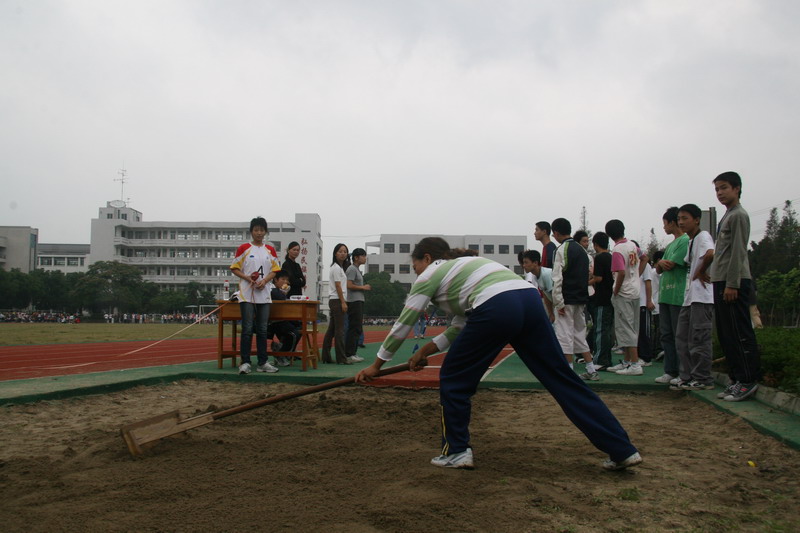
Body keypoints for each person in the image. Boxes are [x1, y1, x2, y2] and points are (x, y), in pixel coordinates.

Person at [355, 237, 641, 471]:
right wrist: (427, 350)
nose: (416, 271)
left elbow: (404, 323)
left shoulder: (430, 275)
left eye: (415, 265)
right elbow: (460, 325)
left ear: (427, 259)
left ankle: (456, 451)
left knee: (454, 378)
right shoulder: (465, 269)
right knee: (562, 378)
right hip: (527, 300)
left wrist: (377, 366)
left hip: (498, 305)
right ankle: (622, 449)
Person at [707, 171, 761, 401]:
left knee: (739, 332)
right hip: (721, 281)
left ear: (737, 188)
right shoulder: (727, 215)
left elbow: (739, 251)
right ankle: (737, 378)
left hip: (734, 282)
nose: (720, 193)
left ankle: (748, 379)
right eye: (717, 189)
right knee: (727, 333)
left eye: (724, 188)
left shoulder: (739, 215)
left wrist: (732, 284)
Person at [671, 204, 716, 391]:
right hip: (689, 297)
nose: (681, 222)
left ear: (696, 219)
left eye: (685, 218)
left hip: (702, 297)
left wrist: (701, 271)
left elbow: (711, 254)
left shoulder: (703, 236)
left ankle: (703, 378)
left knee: (699, 338)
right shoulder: (690, 241)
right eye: (679, 219)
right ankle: (687, 376)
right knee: (682, 338)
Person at [230, 216, 282, 374]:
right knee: (246, 329)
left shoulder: (270, 249)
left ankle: (263, 362)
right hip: (247, 294)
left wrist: (264, 281)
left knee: (262, 330)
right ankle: (245, 362)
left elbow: (275, 270)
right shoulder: (244, 248)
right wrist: (248, 278)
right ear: (251, 231)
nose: (259, 233)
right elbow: (234, 267)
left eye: (261, 230)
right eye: (256, 230)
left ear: (265, 231)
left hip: (264, 294)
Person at [550, 218, 598, 380]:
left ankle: (568, 371)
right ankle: (591, 369)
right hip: (581, 299)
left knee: (564, 333)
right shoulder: (582, 251)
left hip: (567, 299)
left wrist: (558, 302)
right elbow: (587, 275)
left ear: (556, 233)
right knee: (579, 333)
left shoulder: (561, 250)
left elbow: (557, 279)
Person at [654, 207, 689, 384]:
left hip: (678, 294)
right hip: (665, 295)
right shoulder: (670, 245)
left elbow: (672, 264)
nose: (664, 227)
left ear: (672, 222)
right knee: (666, 334)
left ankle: (683, 373)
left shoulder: (685, 241)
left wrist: (662, 263)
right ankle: (670, 370)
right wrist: (661, 262)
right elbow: (659, 267)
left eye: (665, 223)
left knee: (679, 335)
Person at [605, 220, 643, 376]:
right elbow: (645, 257)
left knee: (626, 328)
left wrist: (616, 290)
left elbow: (620, 272)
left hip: (624, 293)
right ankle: (628, 362)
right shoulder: (632, 245)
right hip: (635, 290)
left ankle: (634, 364)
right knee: (631, 326)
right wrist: (636, 276)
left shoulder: (617, 250)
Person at [589, 232, 614, 370]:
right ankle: (606, 359)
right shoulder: (611, 257)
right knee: (607, 330)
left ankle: (600, 360)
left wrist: (587, 282)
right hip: (610, 298)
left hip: (602, 298)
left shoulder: (599, 258)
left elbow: (598, 278)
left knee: (600, 330)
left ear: (596, 244)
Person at [322, 243, 351, 365]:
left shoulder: (339, 268)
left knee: (332, 330)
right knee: (340, 331)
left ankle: (326, 356)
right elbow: (338, 286)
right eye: (340, 251)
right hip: (337, 300)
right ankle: (341, 358)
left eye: (345, 251)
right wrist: (343, 302)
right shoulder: (336, 268)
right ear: (335, 253)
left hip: (335, 300)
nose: (343, 253)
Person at [268, 270, 300, 367]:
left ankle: (281, 348)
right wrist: (284, 293)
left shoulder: (279, 290)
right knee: (295, 333)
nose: (285, 282)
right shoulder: (271, 289)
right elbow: (280, 297)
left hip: (281, 319)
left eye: (287, 280)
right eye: (283, 279)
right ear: (275, 280)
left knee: (299, 324)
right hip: (271, 322)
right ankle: (282, 354)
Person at [345, 248, 371, 363]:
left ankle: (353, 353)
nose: (365, 258)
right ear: (356, 257)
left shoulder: (356, 269)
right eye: (363, 256)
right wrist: (363, 287)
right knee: (354, 328)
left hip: (358, 300)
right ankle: (349, 354)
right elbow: (348, 285)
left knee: (357, 328)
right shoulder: (351, 269)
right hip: (354, 301)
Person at [521, 250, 554, 322]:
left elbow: (554, 294)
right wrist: (551, 313)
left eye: (526, 262)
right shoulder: (536, 276)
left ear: (535, 263)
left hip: (566, 303)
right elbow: (546, 294)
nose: (524, 265)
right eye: (523, 263)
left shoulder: (546, 274)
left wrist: (558, 310)